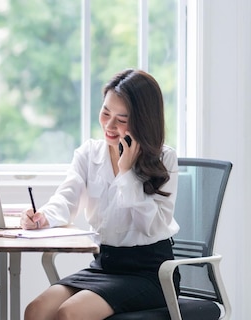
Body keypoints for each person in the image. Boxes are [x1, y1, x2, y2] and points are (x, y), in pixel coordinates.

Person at [21, 69, 180, 320]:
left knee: (69, 314)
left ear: (142, 119)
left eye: (121, 118)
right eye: (105, 112)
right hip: (104, 265)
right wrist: (43, 217)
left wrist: (127, 172)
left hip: (150, 272)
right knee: (36, 310)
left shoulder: (164, 159)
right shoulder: (89, 153)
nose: (109, 125)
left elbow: (152, 225)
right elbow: (66, 197)